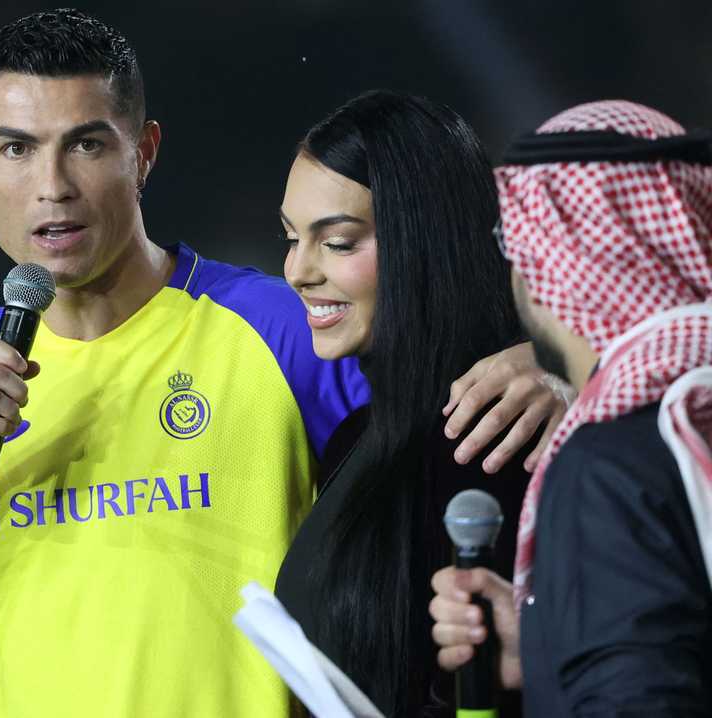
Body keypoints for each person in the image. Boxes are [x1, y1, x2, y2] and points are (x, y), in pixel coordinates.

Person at [0, 10, 566, 716]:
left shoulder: (285, 327)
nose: (52, 186)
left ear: (142, 152)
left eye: (86, 144)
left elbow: (452, 426)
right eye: (16, 148)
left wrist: (551, 372)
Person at [430, 100, 712, 714]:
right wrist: (550, 641)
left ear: (551, 262)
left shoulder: (610, 462)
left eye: (518, 242)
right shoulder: (693, 410)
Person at [271, 90, 533, 716]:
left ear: (426, 241)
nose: (298, 270)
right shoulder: (353, 439)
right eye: (289, 236)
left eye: (336, 242)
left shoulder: (501, 434)